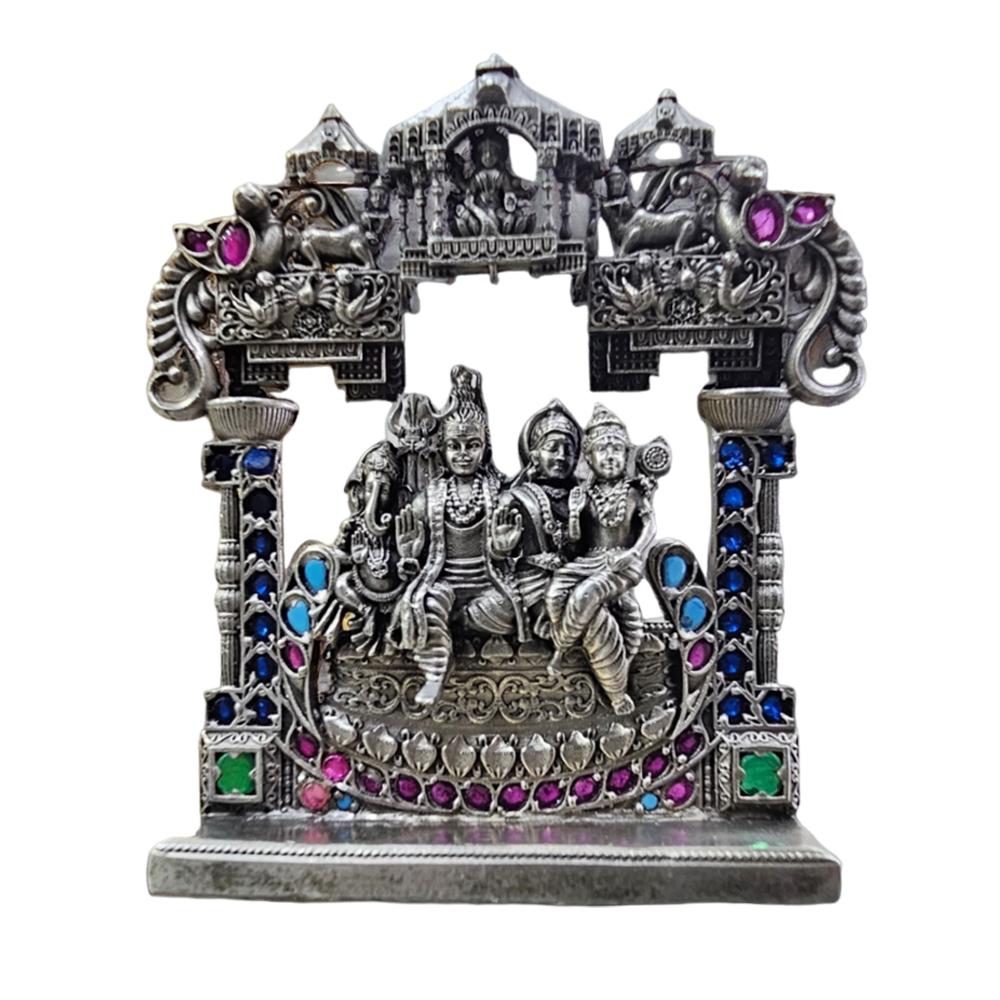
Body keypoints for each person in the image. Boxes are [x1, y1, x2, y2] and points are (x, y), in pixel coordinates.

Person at [392, 367, 526, 705]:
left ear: (485, 447)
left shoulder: (499, 493)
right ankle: (435, 673)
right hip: (444, 583)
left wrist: (504, 549)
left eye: (472, 445)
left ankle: (455, 626)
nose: (463, 454)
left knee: (510, 608)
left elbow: (516, 550)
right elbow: (413, 561)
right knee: (426, 602)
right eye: (455, 446)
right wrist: (409, 555)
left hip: (488, 587)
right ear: (442, 448)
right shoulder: (429, 498)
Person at [544, 404, 658, 714]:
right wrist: (574, 514)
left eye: (617, 450)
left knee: (587, 594)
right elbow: (575, 541)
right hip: (589, 560)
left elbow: (650, 526)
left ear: (626, 455)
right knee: (555, 592)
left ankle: (561, 651)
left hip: (622, 561)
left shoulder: (633, 492)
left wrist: (635, 553)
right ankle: (568, 640)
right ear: (589, 458)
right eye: (602, 450)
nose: (609, 456)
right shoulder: (584, 493)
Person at [464, 400, 581, 638]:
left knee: (591, 600)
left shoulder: (582, 497)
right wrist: (500, 548)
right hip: (529, 581)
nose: (561, 456)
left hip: (573, 580)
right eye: (552, 448)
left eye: (568, 450)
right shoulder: (515, 497)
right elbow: (493, 558)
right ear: (534, 455)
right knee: (479, 612)